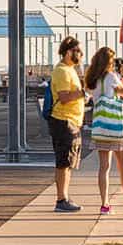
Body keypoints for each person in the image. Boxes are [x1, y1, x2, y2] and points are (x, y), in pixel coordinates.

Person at [86, 46, 123, 216]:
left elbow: (91, 96)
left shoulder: (92, 80)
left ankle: (105, 204)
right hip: (116, 128)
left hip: (101, 128)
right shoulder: (112, 77)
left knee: (104, 167)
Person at [48, 35, 85, 212]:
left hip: (71, 121)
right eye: (78, 50)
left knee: (68, 161)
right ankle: (61, 199)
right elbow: (63, 98)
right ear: (68, 51)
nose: (81, 54)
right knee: (63, 162)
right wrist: (83, 93)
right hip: (64, 121)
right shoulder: (62, 71)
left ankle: (64, 197)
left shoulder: (70, 70)